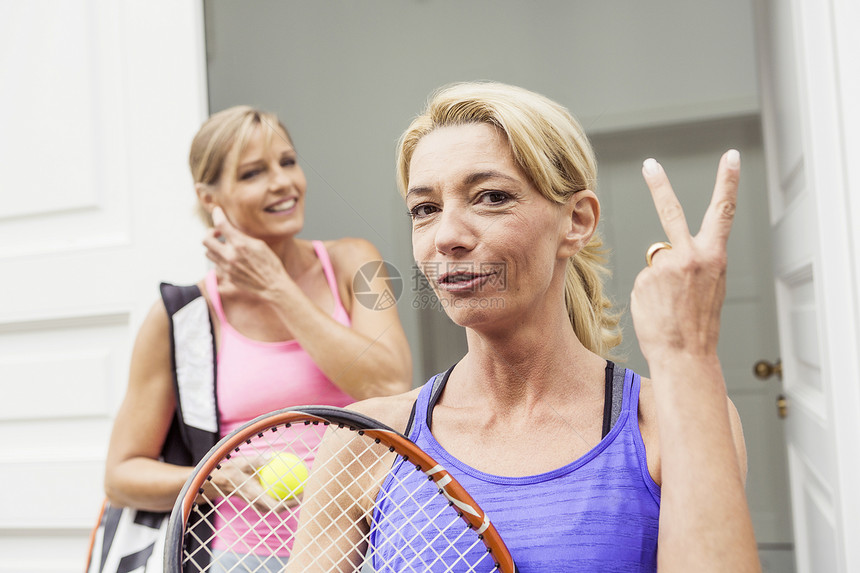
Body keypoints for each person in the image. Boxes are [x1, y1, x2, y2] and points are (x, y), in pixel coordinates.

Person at [287, 82, 760, 572]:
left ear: (576, 221)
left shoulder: (666, 422)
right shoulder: (366, 440)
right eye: (425, 209)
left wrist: (688, 355)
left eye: (490, 197)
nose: (447, 236)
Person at [100, 106, 412, 571]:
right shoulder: (183, 317)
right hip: (244, 556)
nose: (282, 182)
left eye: (287, 162)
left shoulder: (355, 262)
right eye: (253, 173)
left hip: (371, 546)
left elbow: (390, 384)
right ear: (210, 198)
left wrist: (279, 289)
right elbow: (121, 475)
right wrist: (217, 478)